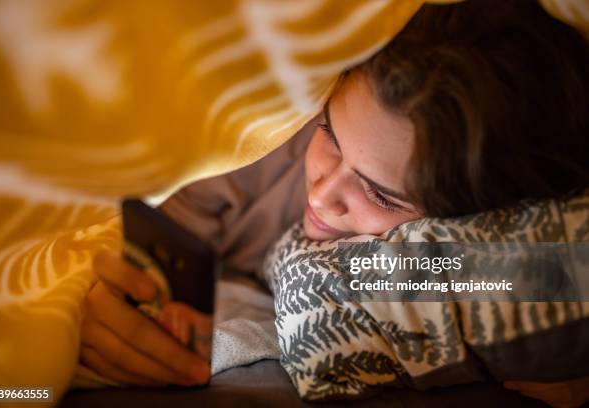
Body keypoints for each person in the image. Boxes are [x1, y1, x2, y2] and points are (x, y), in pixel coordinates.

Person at [78, 0, 589, 405]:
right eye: (331, 135)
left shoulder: (475, 240)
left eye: (380, 194)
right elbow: (108, 226)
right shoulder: (253, 144)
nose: (323, 194)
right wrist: (91, 295)